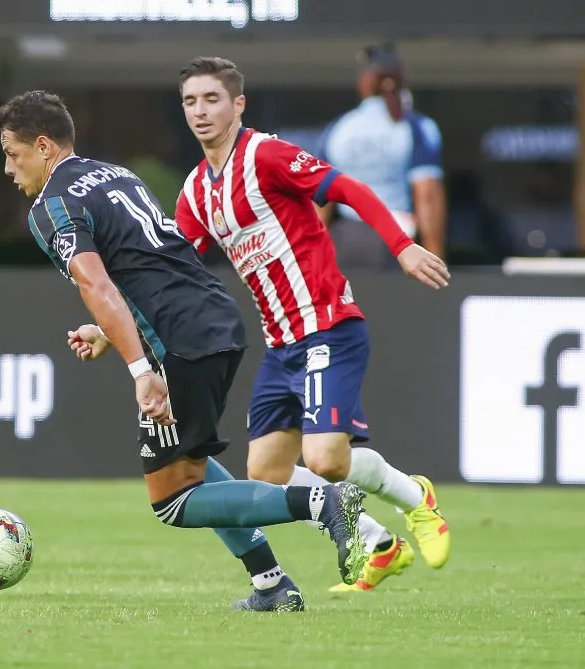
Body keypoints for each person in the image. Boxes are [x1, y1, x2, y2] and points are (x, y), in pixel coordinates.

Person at [0, 90, 369, 612]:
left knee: (172, 498)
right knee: (190, 464)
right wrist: (110, 332)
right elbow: (145, 267)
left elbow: (97, 284)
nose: (9, 169)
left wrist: (141, 369)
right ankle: (271, 585)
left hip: (178, 340)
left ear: (43, 146)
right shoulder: (114, 175)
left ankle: (323, 502)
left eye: (13, 154)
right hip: (213, 317)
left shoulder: (52, 205)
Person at [173, 56, 451, 595]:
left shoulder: (266, 155)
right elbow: (174, 271)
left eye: (211, 99)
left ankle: (416, 498)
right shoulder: (196, 192)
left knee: (325, 460)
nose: (200, 111)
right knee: (266, 473)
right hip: (280, 346)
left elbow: (349, 189)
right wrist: (110, 327)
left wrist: (403, 246)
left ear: (238, 104)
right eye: (190, 101)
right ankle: (378, 543)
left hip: (327, 327)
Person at [315, 43, 447, 267]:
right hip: (397, 241)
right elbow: (427, 197)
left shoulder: (338, 128)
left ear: (364, 83)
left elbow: (319, 202)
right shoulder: (416, 127)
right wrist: (436, 260)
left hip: (347, 245)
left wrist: (313, 262)